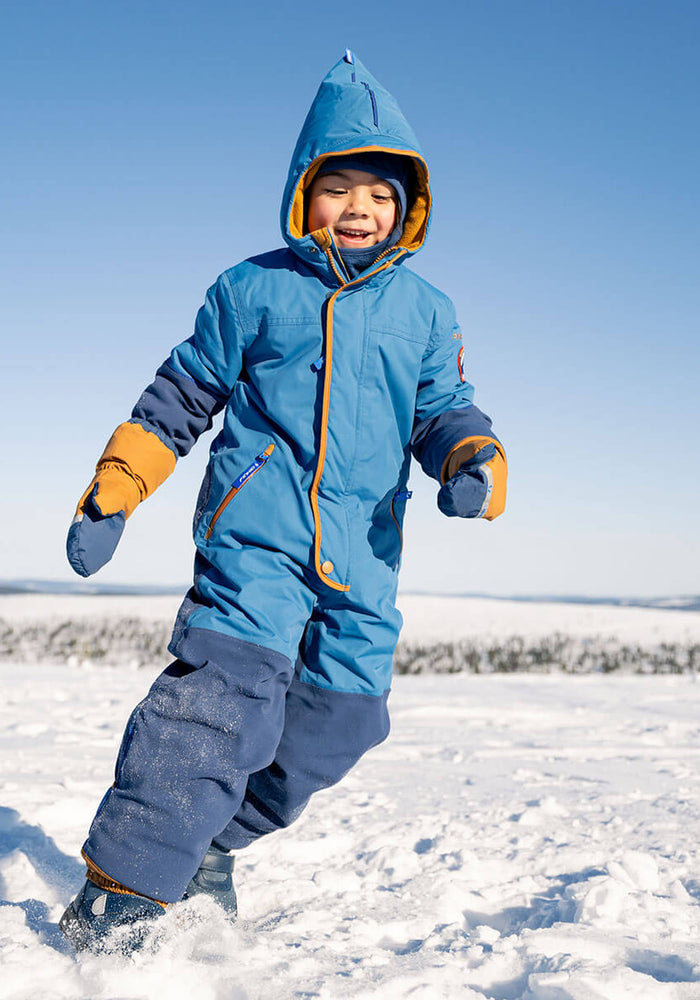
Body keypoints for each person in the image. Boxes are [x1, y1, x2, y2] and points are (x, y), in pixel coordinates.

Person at [59, 50, 508, 950]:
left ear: (407, 208)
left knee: (344, 720)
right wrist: (118, 486)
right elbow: (183, 394)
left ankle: (208, 849)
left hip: (365, 553)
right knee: (218, 706)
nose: (360, 209)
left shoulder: (427, 309)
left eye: (381, 195)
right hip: (254, 540)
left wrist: (469, 451)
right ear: (306, 193)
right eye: (340, 187)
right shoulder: (251, 287)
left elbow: (440, 408)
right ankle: (122, 895)